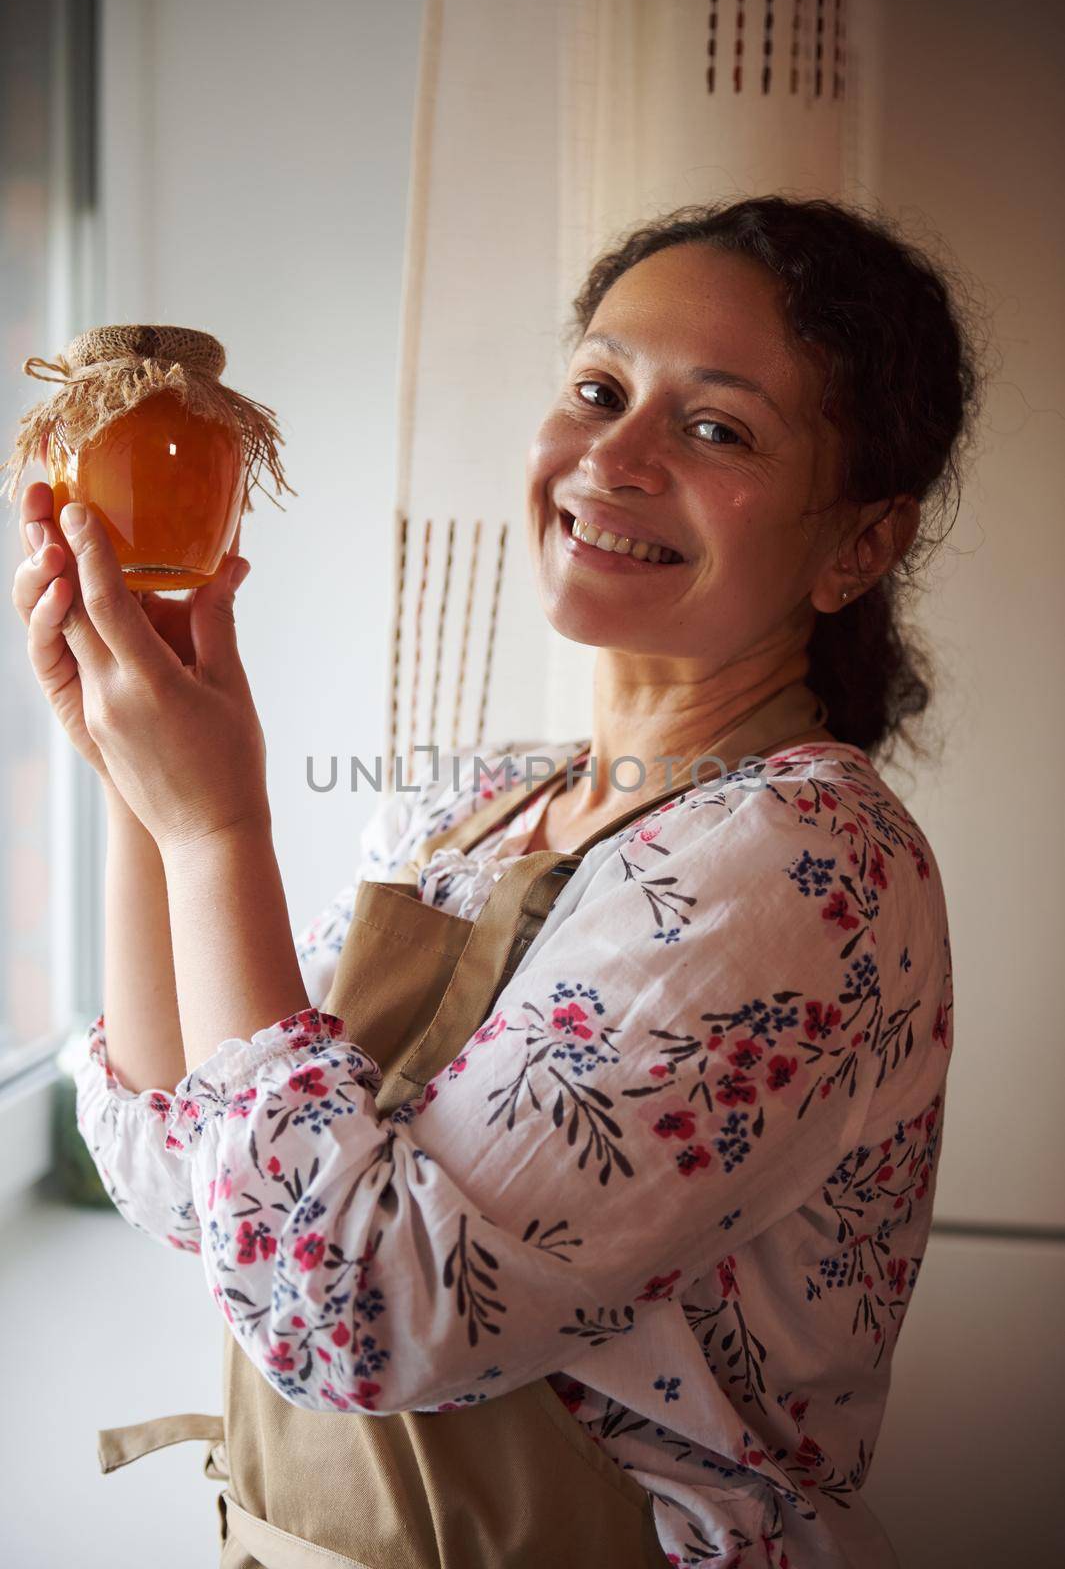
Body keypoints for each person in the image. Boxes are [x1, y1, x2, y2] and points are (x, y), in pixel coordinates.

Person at [11, 196, 978, 1567]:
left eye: (715, 428)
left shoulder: (800, 863)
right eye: (597, 388)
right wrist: (132, 776)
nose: (615, 458)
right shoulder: (467, 808)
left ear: (859, 545)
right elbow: (195, 1179)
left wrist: (222, 830)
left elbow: (359, 1309)